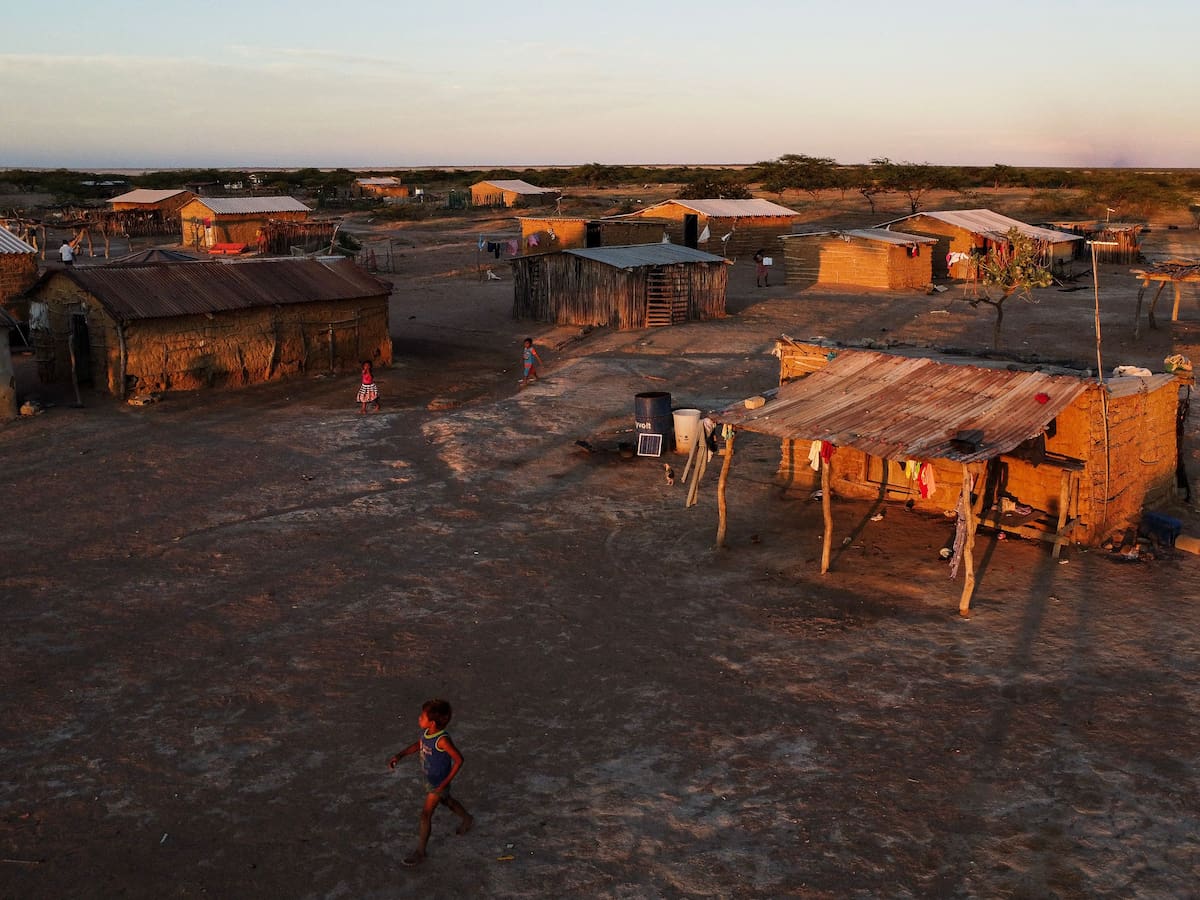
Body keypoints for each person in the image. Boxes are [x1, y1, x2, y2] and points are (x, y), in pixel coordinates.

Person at [389, 699, 473, 867]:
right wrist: (400, 755)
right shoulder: (427, 733)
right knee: (447, 801)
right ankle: (467, 819)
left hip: (438, 783)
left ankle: (420, 852)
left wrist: (444, 783)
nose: (419, 718)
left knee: (425, 814)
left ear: (432, 722)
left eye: (422, 716)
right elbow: (419, 745)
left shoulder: (442, 740)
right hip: (431, 780)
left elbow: (458, 760)